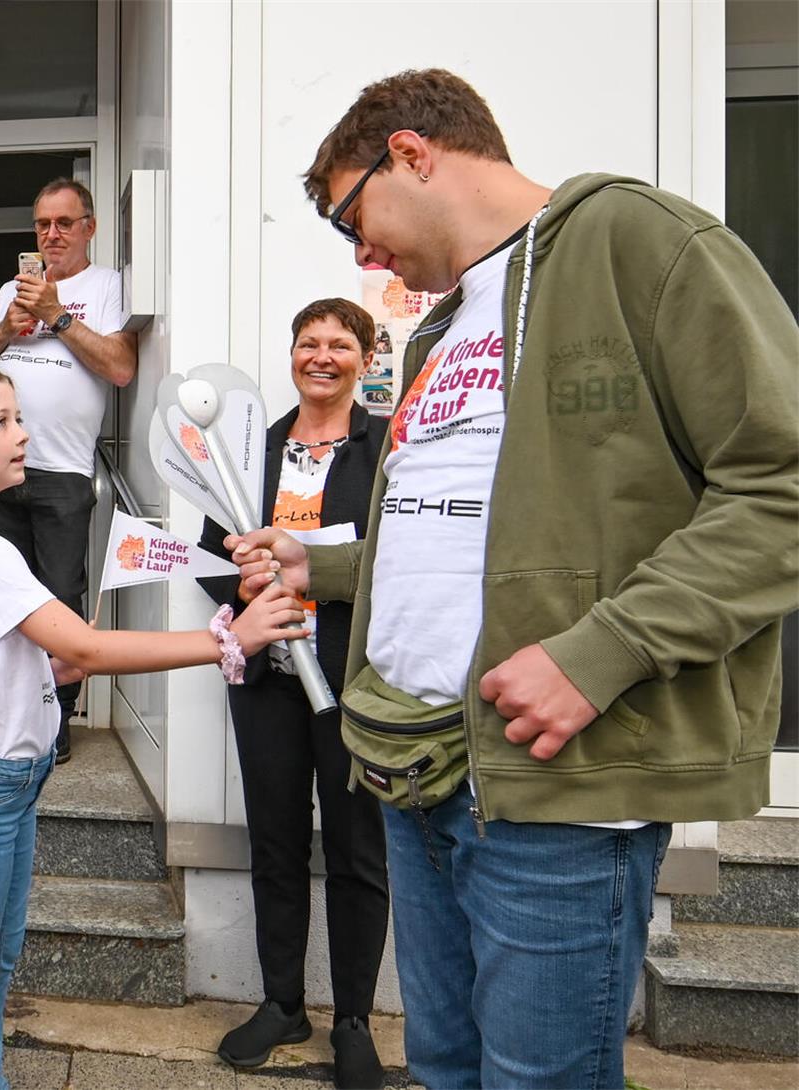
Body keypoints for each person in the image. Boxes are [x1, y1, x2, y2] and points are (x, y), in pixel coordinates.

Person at [227, 68, 799, 1090]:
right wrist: (316, 563)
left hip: (554, 793)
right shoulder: (445, 329)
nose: (362, 255)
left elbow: (778, 485)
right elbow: (467, 533)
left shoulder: (638, 243)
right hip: (413, 772)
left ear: (412, 152)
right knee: (446, 1067)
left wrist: (602, 654)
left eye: (354, 216)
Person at [0, 364, 312, 1089]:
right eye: (1, 422)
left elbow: (9, 656)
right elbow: (86, 647)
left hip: (2, 784)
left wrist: (43, 671)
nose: (24, 433)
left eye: (19, 417)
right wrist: (231, 638)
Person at [195, 300, 390, 1089]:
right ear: (291, 355)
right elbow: (211, 556)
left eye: (340, 344)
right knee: (274, 841)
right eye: (309, 342)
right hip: (268, 679)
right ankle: (282, 1004)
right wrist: (237, 580)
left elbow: (401, 556)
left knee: (356, 851)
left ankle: (352, 1020)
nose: (322, 356)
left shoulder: (387, 450)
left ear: (366, 357)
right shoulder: (251, 450)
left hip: (352, 677)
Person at [0, 179, 136, 762]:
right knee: (5, 601)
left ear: (89, 227)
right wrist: (6, 329)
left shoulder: (108, 285)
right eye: (42, 225)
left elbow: (120, 368)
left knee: (59, 600)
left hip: (63, 472)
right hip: (0, 472)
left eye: (64, 223)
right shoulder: (13, 289)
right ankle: (15, 716)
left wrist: (57, 316)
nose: (52, 234)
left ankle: (56, 725)